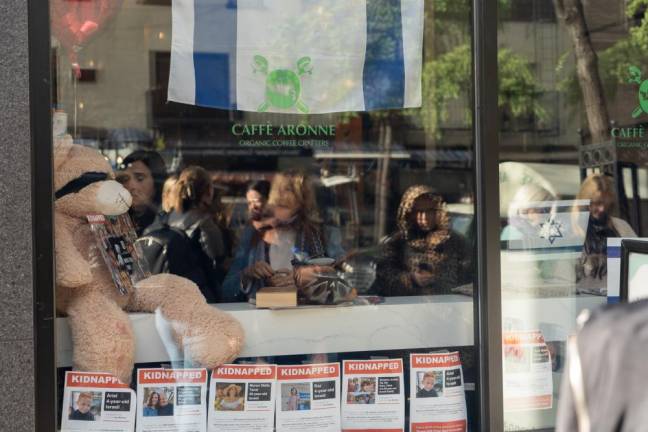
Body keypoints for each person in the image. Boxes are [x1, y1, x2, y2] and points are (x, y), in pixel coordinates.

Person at [222, 171, 344, 302]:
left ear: (302, 200)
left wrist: (305, 280)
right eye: (277, 188)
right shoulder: (255, 234)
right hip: (261, 318)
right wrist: (247, 274)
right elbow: (226, 291)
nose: (280, 194)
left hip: (307, 317)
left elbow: (346, 286)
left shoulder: (320, 234)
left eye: (288, 189)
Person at [375, 185, 472, 296]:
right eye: (418, 211)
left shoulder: (457, 243)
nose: (424, 217)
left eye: (430, 211)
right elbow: (383, 279)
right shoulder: (396, 243)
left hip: (448, 307)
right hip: (406, 308)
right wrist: (410, 279)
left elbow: (470, 279)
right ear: (409, 212)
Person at [167, 166, 227, 302]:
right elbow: (218, 257)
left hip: (171, 290)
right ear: (208, 191)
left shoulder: (168, 217)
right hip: (199, 293)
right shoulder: (205, 222)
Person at [574, 174, 636, 292]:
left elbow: (638, 261)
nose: (602, 209)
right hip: (580, 302)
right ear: (584, 201)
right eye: (597, 203)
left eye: (606, 204)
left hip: (615, 301)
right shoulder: (571, 230)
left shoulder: (621, 227)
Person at [117, 150, 167, 236]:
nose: (131, 186)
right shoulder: (118, 218)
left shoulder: (167, 220)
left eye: (140, 178)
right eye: (125, 179)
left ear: (156, 183)